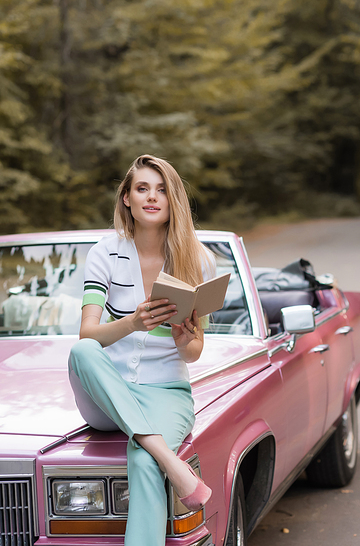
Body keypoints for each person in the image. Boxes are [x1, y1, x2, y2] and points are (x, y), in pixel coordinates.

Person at [68, 154, 215, 545]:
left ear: (173, 201)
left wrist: (186, 341)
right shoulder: (104, 252)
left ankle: (155, 454)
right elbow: (88, 335)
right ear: (127, 199)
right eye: (142, 188)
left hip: (165, 393)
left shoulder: (197, 259)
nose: (153, 197)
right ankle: (171, 460)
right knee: (81, 353)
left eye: (163, 189)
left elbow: (194, 351)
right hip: (106, 396)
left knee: (142, 459)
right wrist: (132, 323)